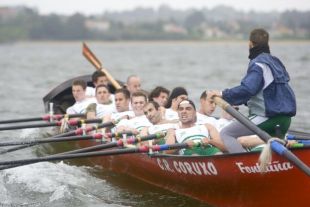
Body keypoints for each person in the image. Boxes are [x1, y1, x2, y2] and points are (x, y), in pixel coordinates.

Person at [207, 28, 296, 153]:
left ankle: (242, 166)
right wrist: (240, 100)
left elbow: (248, 89)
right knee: (274, 148)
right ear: (267, 44)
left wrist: (222, 94)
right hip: (286, 119)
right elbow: (266, 91)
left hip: (268, 117)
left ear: (250, 44)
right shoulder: (277, 62)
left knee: (227, 133)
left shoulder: (258, 64)